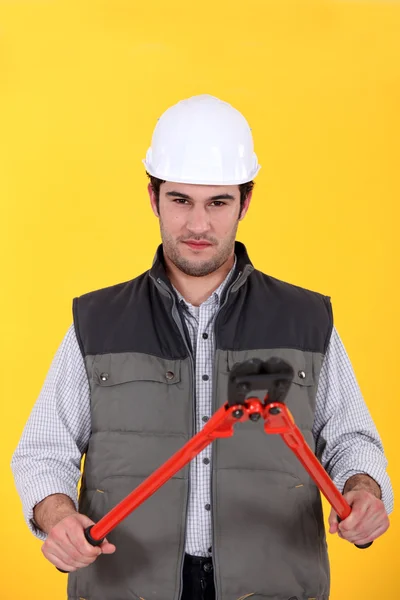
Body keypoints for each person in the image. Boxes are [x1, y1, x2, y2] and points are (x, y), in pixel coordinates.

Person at [11, 94, 393, 600]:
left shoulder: (305, 320)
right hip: (127, 587)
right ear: (153, 197)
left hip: (273, 586)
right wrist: (56, 517)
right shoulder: (97, 322)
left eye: (218, 202)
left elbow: (351, 443)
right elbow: (43, 451)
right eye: (180, 200)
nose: (197, 225)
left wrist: (363, 493)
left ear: (245, 202)